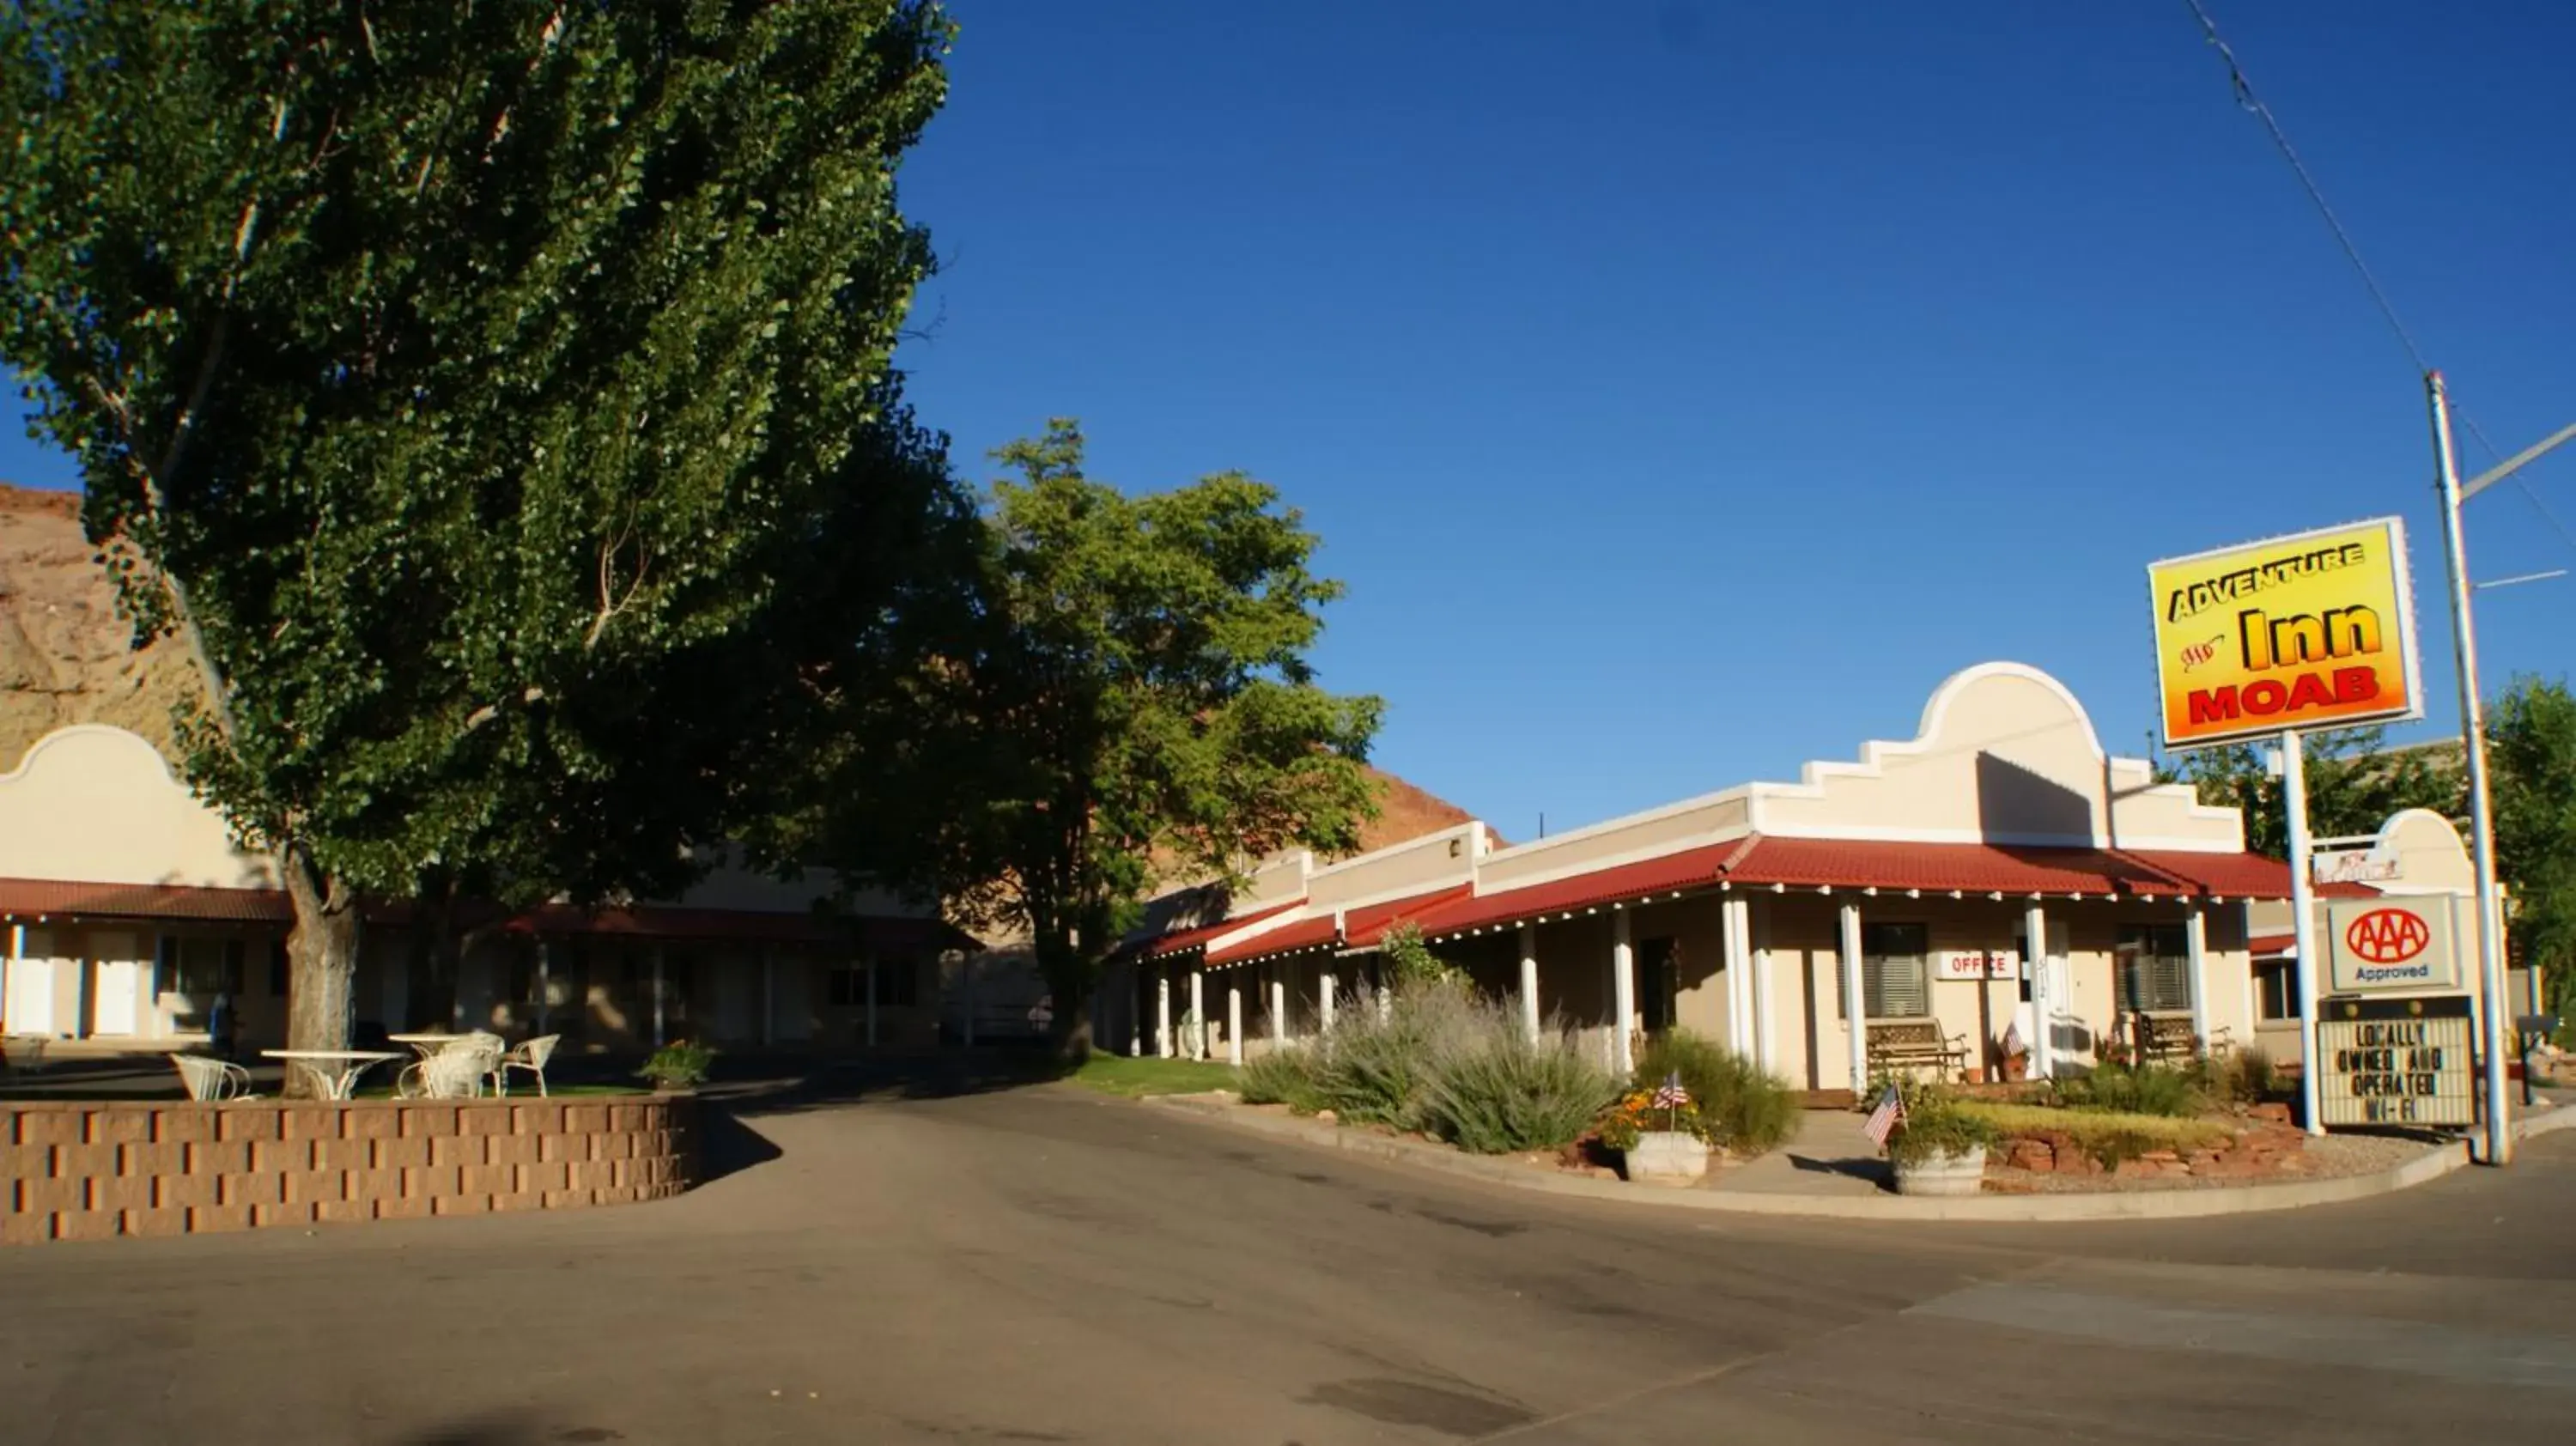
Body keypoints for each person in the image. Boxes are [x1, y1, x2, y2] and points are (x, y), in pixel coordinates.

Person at [207, 990, 236, 1060]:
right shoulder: (217, 1011)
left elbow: (229, 1022)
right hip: (221, 1035)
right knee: (224, 1051)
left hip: (226, 1034)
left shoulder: (226, 1011)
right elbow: (214, 1024)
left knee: (228, 1050)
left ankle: (227, 1061)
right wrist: (214, 1035)